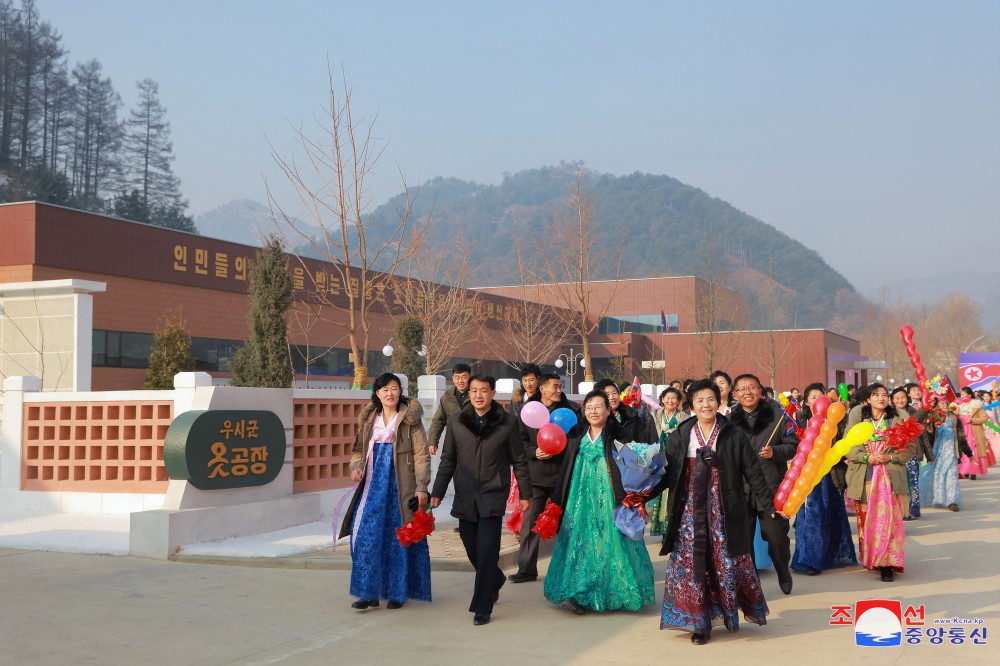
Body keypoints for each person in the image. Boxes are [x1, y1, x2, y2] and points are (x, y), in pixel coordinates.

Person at [659, 379, 773, 645]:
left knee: (725, 562)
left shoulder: (732, 434)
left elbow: (753, 472)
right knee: (692, 565)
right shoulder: (682, 433)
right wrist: (640, 495)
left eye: (710, 399)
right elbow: (666, 473)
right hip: (689, 512)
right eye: (699, 400)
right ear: (692, 405)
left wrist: (770, 506)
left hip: (725, 510)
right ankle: (699, 623)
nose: (706, 405)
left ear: (718, 402)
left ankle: (728, 614)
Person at [430, 375, 532, 626]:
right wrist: (438, 492)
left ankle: (482, 605)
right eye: (474, 390)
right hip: (465, 495)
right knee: (472, 547)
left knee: (487, 551)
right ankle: (495, 579)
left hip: (492, 494)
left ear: (493, 393)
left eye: (483, 390)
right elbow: (447, 460)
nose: (478, 395)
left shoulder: (508, 423)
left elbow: (519, 460)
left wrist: (526, 495)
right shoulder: (456, 422)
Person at [543, 390, 657, 614]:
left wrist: (634, 498)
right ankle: (575, 592)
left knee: (612, 541)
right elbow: (565, 470)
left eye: (598, 406)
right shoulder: (575, 435)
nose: (593, 411)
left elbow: (632, 468)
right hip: (579, 499)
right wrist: (557, 501)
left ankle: (613, 591)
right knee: (579, 541)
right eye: (589, 407)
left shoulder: (619, 436)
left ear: (608, 410)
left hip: (610, 498)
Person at [339, 373, 431, 610]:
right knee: (366, 538)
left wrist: (422, 488)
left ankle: (397, 593)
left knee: (398, 537)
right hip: (372, 486)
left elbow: (421, 455)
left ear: (400, 391)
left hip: (401, 486)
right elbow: (358, 449)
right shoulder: (369, 418)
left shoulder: (410, 419)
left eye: (394, 389)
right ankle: (368, 592)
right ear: (377, 393)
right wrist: (356, 468)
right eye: (385, 390)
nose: (390, 394)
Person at [727, 373, 797, 595]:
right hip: (740, 489)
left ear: (760, 390)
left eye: (752, 387)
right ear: (735, 394)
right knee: (743, 540)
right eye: (742, 389)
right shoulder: (727, 422)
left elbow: (794, 445)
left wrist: (775, 451)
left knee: (776, 538)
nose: (748, 392)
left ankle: (783, 571)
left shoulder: (778, 417)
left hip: (770, 487)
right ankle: (751, 584)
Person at [510, 373, 583, 583]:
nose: (559, 390)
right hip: (536, 477)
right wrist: (534, 452)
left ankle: (570, 569)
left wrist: (558, 448)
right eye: (555, 386)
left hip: (562, 475)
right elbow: (519, 442)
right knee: (530, 523)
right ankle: (526, 568)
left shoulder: (571, 411)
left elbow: (576, 440)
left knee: (567, 523)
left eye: (560, 386)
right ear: (542, 388)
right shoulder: (528, 412)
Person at [844, 383, 917, 582]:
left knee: (891, 521)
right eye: (876, 395)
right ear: (868, 399)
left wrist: (890, 458)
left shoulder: (898, 418)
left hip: (891, 476)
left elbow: (910, 449)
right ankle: (873, 558)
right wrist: (866, 458)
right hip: (865, 475)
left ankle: (888, 564)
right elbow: (847, 446)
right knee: (869, 520)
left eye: (885, 395)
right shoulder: (859, 417)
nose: (881, 398)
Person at [790, 383, 857, 575]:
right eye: (813, 397)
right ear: (806, 402)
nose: (819, 400)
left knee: (829, 515)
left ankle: (827, 556)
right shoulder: (800, 423)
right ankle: (808, 559)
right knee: (811, 517)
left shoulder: (836, 422)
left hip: (829, 475)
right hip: (807, 476)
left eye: (822, 396)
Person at [647, 387, 689, 535]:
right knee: (659, 490)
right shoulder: (655, 416)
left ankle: (672, 527)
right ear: (662, 400)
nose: (670, 401)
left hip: (677, 459)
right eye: (667, 398)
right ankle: (661, 527)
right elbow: (650, 436)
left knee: (674, 491)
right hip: (659, 458)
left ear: (678, 401)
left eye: (674, 398)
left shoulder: (684, 417)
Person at [918, 396, 970, 511]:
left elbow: (961, 436)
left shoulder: (954, 418)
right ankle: (940, 498)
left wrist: (969, 453)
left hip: (952, 452)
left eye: (945, 403)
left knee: (952, 476)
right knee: (939, 475)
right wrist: (930, 431)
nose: (944, 405)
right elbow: (928, 438)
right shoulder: (932, 418)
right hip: (938, 453)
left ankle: (952, 501)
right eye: (941, 403)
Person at [427, 363, 472, 455]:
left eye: (464, 377)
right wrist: (433, 442)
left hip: (473, 443)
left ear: (470, 378)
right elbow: (438, 421)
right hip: (452, 443)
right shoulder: (447, 398)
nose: (460, 381)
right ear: (453, 379)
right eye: (457, 377)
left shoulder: (476, 397)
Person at [593, 378, 658, 444]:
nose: (612, 397)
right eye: (607, 395)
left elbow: (642, 444)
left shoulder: (632, 418)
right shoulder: (592, 420)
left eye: (614, 393)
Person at [891, 386, 921, 520]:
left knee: (913, 481)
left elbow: (922, 436)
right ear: (892, 400)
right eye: (896, 398)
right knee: (900, 481)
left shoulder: (913, 412)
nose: (900, 400)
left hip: (911, 452)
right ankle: (902, 510)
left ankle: (913, 509)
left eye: (902, 397)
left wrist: (927, 453)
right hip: (896, 453)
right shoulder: (889, 415)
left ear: (907, 398)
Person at [957, 386, 990, 479]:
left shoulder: (977, 405)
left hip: (973, 431)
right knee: (963, 450)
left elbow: (984, 418)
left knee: (973, 450)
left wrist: (972, 420)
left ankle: (973, 471)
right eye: (961, 394)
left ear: (970, 395)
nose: (962, 396)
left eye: (964, 394)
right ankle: (965, 470)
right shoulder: (959, 405)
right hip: (962, 430)